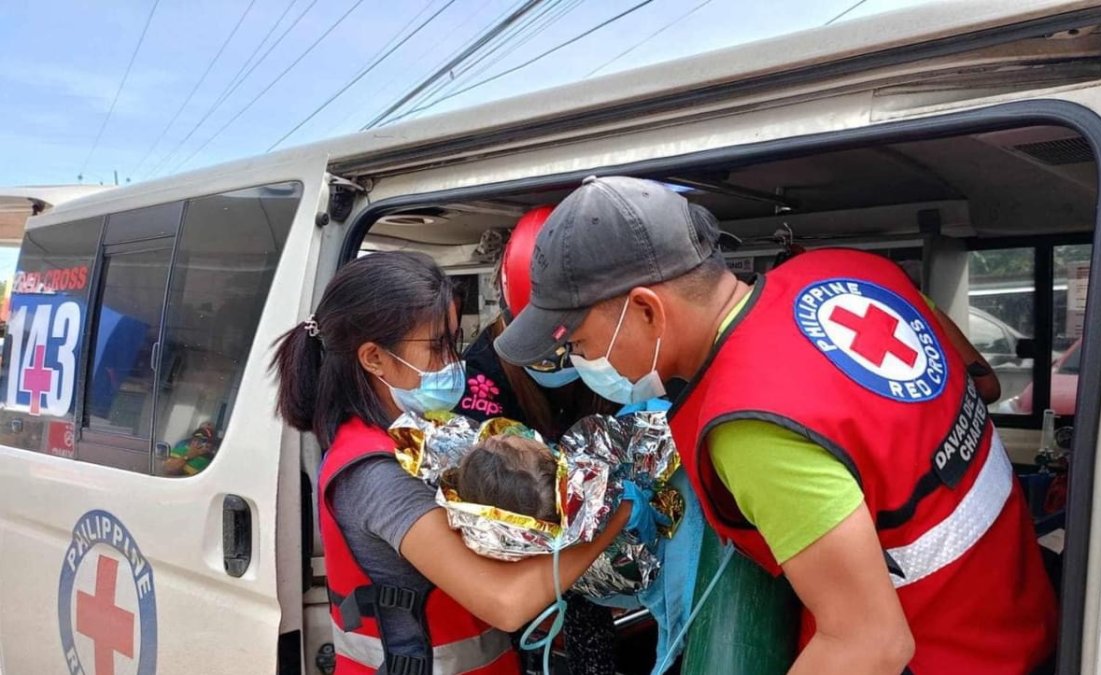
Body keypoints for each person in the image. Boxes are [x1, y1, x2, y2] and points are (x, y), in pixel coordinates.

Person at [494, 176, 1057, 675]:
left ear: (647, 310)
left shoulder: (751, 426)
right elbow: (979, 385)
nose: (586, 364)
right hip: (1024, 608)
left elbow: (870, 643)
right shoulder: (850, 270)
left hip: (948, 656)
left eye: (584, 343)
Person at [271, 251, 635, 675]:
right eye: (436, 347)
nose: (452, 362)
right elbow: (506, 604)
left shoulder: (421, 437)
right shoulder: (375, 473)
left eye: (454, 341)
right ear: (373, 358)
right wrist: (616, 509)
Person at [454, 206, 622, 675]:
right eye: (543, 350)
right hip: (525, 535)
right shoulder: (483, 375)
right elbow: (488, 482)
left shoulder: (615, 357)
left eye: (574, 344)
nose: (562, 358)